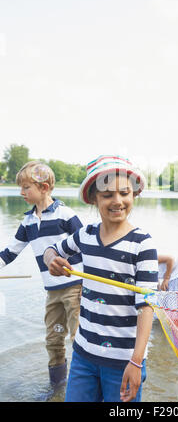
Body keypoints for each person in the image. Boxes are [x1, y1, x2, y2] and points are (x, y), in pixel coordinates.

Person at [43, 155, 158, 403]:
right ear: (94, 199)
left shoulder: (142, 244)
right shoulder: (86, 234)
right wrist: (51, 260)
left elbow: (146, 306)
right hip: (84, 355)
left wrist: (136, 361)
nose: (117, 201)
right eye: (107, 195)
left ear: (134, 195)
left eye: (124, 193)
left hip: (124, 361)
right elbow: (52, 249)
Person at [0, 161, 83, 392]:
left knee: (79, 339)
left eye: (26, 187)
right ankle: (57, 388)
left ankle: (82, 386)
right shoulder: (27, 222)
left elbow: (86, 243)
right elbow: (9, 253)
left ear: (44, 187)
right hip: (52, 292)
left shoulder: (65, 214)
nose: (21, 192)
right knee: (53, 340)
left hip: (75, 287)